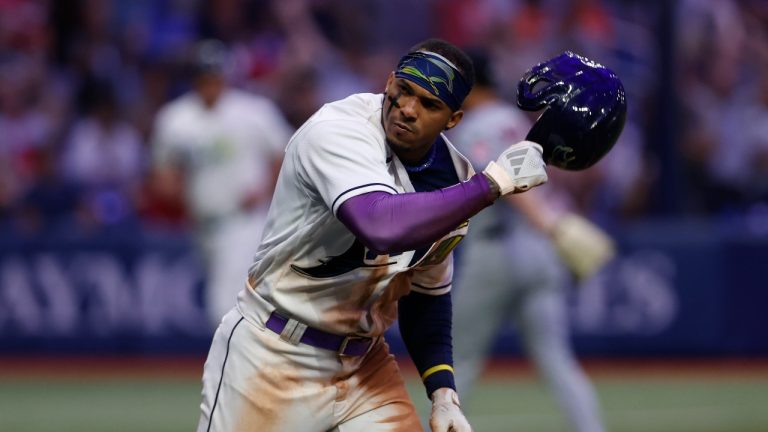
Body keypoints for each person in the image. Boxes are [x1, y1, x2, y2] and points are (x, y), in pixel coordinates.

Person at [197, 38, 549, 432]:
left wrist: (442, 392)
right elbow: (380, 226)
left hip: (365, 366)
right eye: (403, 91)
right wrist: (491, 185)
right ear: (389, 81)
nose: (408, 110)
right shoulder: (339, 130)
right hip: (274, 352)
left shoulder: (453, 179)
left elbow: (425, 294)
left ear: (453, 120)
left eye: (430, 104)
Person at [449, 49, 612, 432]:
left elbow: (509, 184)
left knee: (457, 360)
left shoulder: (477, 126)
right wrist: (553, 226)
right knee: (556, 359)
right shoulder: (514, 120)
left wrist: (548, 225)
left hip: (498, 249)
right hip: (539, 250)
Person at [150, 39, 294, 327]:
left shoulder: (253, 111)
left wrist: (266, 189)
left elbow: (290, 152)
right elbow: (162, 176)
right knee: (241, 305)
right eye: (204, 75)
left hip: (244, 220)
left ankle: (230, 371)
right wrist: (175, 189)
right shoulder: (176, 119)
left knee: (223, 304)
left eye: (215, 74)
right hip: (201, 225)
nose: (210, 81)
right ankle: (258, 366)